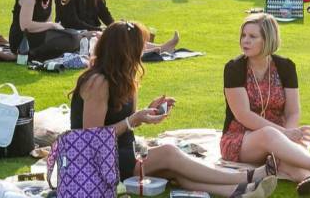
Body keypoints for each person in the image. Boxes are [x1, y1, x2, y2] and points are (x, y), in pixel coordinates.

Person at [73, 20, 273, 197]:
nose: (143, 51)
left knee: (176, 170)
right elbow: (91, 139)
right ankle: (247, 177)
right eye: (139, 46)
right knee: (169, 153)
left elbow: (124, 120)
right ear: (124, 50)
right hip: (99, 162)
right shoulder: (97, 82)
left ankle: (240, 192)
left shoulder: (124, 76)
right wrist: (133, 120)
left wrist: (146, 113)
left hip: (124, 151)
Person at [222, 14, 310, 195]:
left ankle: (309, 179)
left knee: (282, 154)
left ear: (268, 39)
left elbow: (293, 111)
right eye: (243, 35)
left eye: (253, 37)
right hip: (241, 138)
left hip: (279, 135)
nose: (245, 41)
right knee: (272, 137)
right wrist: (285, 134)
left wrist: (289, 134)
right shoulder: (234, 68)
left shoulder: (285, 66)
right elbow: (243, 115)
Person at [9, 0, 80, 61]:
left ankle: (42, 54)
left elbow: (47, 22)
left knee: (74, 36)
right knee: (70, 39)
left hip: (38, 35)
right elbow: (25, 26)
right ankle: (30, 55)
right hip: (22, 39)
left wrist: (54, 28)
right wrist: (51, 25)